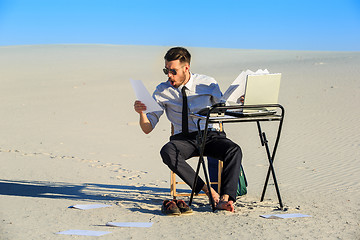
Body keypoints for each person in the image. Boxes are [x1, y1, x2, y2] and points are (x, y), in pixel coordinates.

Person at [133, 47, 242, 212]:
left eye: (173, 71)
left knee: (234, 150)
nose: (169, 75)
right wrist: (142, 113)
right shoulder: (162, 91)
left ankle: (226, 199)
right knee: (167, 152)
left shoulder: (208, 83)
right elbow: (147, 128)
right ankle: (209, 191)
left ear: (186, 68)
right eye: (166, 70)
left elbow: (223, 106)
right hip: (184, 140)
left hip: (210, 135)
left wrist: (240, 102)